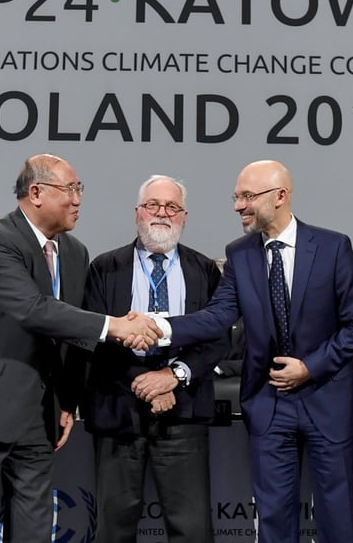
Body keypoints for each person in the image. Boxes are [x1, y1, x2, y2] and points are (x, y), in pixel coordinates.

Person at [0, 154, 163, 543]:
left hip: (39, 417)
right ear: (35, 192)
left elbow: (73, 335)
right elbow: (33, 310)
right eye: (70, 189)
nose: (78, 200)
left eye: (80, 190)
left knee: (35, 530)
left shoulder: (75, 252)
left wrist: (67, 401)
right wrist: (117, 326)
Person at [152, 160, 353, 542]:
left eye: (247, 197)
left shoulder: (333, 247)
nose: (238, 206)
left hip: (328, 401)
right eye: (236, 197)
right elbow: (218, 315)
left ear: (280, 196)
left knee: (338, 520)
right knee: (272, 520)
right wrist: (161, 327)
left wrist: (310, 366)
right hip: (270, 405)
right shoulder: (239, 254)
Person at [77, 175, 229, 543]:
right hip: (118, 409)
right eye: (153, 205)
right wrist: (146, 383)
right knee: (114, 528)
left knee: (191, 528)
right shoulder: (104, 267)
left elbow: (217, 336)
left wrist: (173, 375)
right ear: (137, 213)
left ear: (184, 216)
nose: (162, 213)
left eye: (172, 207)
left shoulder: (205, 270)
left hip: (184, 411)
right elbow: (94, 336)